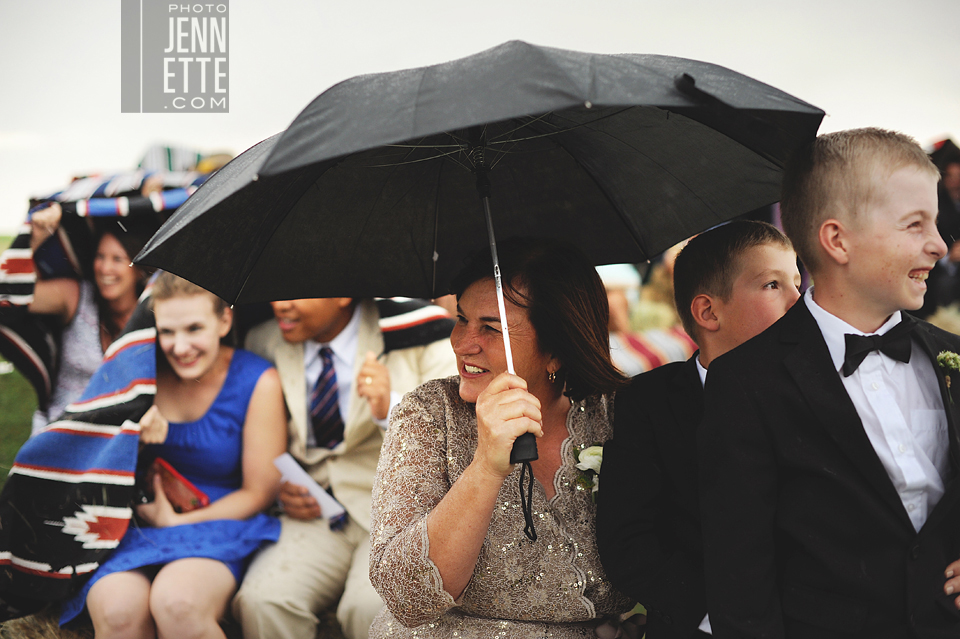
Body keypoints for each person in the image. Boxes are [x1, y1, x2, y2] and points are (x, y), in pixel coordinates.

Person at [698, 128, 960, 638]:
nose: (939, 242)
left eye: (935, 220)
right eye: (914, 224)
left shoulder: (952, 357)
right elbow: (740, 577)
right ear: (838, 240)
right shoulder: (747, 383)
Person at [368, 238, 634, 638]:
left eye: (490, 328)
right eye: (461, 319)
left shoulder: (615, 415)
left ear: (557, 349)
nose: (461, 342)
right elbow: (407, 596)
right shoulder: (429, 414)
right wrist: (486, 467)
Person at [597, 220, 801, 638]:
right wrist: (722, 613)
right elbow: (629, 541)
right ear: (708, 311)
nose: (799, 300)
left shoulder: (820, 391)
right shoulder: (646, 403)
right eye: (772, 285)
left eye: (799, 282)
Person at [59, 272, 287, 637]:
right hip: (139, 528)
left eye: (194, 328)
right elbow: (88, 462)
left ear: (224, 320)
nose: (180, 347)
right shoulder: (140, 378)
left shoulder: (258, 380)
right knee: (118, 611)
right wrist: (134, 439)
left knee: (177, 603)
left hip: (219, 524)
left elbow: (259, 493)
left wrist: (175, 523)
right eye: (167, 332)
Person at [233, 296, 457, 639]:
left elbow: (456, 435)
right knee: (263, 601)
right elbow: (261, 433)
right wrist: (280, 488)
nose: (280, 305)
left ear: (341, 294)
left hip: (399, 512)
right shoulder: (263, 339)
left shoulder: (421, 328)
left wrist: (390, 407)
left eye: (296, 291)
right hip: (315, 512)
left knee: (368, 609)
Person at [28, 203, 152, 433]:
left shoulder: (152, 309)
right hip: (59, 430)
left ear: (139, 269)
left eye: (117, 259)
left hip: (117, 440)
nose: (105, 268)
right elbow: (11, 292)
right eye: (100, 256)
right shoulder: (75, 297)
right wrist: (38, 238)